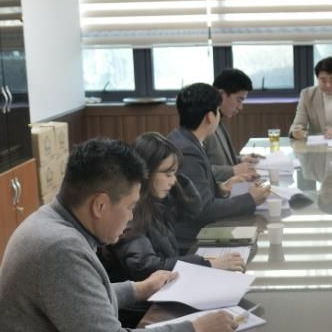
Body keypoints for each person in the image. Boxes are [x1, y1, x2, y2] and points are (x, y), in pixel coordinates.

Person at [0, 139, 238, 332]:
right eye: (130, 207)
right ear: (100, 205)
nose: (131, 217)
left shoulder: (50, 221)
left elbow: (81, 300)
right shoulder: (61, 248)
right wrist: (196, 331)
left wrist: (138, 289)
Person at [105, 132, 245, 282]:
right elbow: (145, 266)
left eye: (175, 173)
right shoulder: (130, 211)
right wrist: (207, 264)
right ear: (146, 172)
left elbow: (194, 209)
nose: (173, 181)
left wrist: (178, 178)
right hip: (147, 294)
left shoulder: (158, 201)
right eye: (168, 174)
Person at [167, 83, 269, 240]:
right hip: (192, 238)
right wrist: (250, 199)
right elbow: (204, 209)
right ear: (210, 116)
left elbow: (193, 194)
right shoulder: (188, 151)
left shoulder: (183, 138)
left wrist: (222, 187)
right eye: (217, 111)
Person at [203, 68, 261, 182]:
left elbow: (219, 160)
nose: (240, 107)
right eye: (239, 100)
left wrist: (240, 160)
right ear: (221, 94)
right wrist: (233, 170)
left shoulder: (218, 119)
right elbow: (196, 171)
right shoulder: (203, 124)